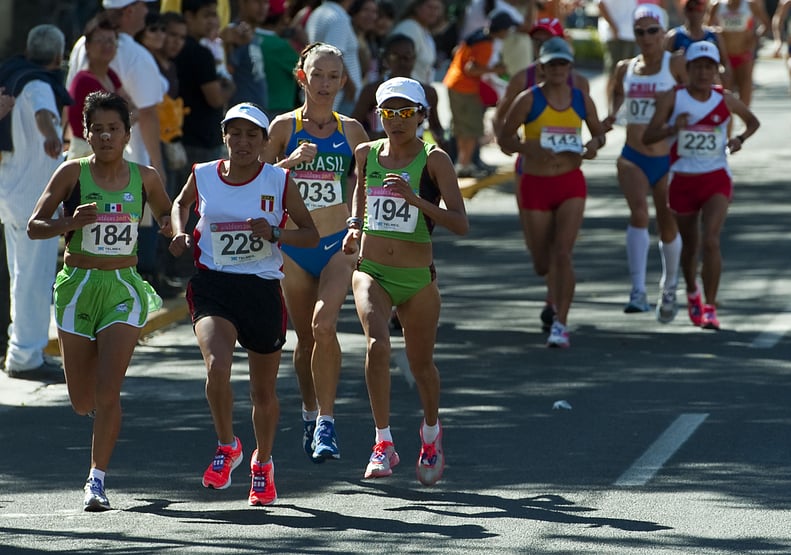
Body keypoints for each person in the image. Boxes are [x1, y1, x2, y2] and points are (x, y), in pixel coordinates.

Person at [27, 91, 172, 511]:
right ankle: (98, 415)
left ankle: (96, 480)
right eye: (98, 129)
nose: (106, 135)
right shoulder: (70, 174)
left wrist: (171, 231)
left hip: (123, 287)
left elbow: (167, 214)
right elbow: (35, 226)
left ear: (127, 133)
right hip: (77, 286)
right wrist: (70, 222)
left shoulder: (145, 177)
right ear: (86, 134)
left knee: (109, 391)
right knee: (82, 401)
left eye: (115, 128)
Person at [169, 102, 318, 506]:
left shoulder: (278, 180)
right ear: (224, 137)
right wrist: (181, 232)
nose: (243, 142)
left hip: (262, 289)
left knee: (262, 392)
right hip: (213, 284)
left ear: (266, 141)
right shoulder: (203, 175)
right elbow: (180, 204)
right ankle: (226, 445)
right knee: (217, 366)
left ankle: (263, 464)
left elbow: (310, 233)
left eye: (253, 134)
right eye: (235, 133)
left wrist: (275, 232)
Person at [342, 77, 468, 484]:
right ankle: (383, 441)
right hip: (371, 272)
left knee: (421, 364)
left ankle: (430, 433)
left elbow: (461, 223)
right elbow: (360, 193)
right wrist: (353, 226)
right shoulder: (366, 153)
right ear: (378, 116)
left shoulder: (436, 160)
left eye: (405, 112)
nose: (396, 121)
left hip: (417, 278)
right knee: (377, 345)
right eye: (388, 113)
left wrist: (416, 199)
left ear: (421, 116)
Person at [263, 43, 368, 462]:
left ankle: (327, 422)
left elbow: (365, 179)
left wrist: (357, 225)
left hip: (336, 243)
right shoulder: (283, 128)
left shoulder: (353, 131)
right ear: (301, 77)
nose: (325, 84)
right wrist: (288, 162)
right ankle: (309, 413)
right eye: (317, 75)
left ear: (343, 81)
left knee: (325, 326)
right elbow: (255, 180)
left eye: (333, 76)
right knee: (305, 337)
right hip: (295, 244)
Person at [497, 37, 605, 348]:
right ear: (542, 67)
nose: (557, 69)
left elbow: (598, 134)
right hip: (535, 185)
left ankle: (561, 322)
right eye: (551, 64)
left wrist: (593, 147)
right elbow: (505, 138)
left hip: (570, 183)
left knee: (563, 253)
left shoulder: (582, 99)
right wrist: (525, 146)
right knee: (543, 263)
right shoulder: (528, 100)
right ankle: (556, 294)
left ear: (570, 68)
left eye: (563, 64)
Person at [642, 41, 759, 329]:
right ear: (689, 69)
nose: (704, 73)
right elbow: (648, 136)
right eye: (698, 67)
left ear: (715, 70)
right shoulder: (674, 97)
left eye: (709, 67)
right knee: (689, 246)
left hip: (715, 177)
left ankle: (710, 306)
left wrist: (738, 140)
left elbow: (752, 122)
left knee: (711, 241)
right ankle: (692, 291)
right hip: (682, 180)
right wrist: (672, 128)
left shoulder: (725, 99)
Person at [602, 4, 687, 320]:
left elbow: (697, 95)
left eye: (653, 30)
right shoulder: (625, 68)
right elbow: (615, 106)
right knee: (638, 212)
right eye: (640, 32)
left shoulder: (676, 64)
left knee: (667, 221)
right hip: (632, 156)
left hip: (667, 156)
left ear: (664, 32)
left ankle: (669, 287)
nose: (647, 37)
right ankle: (637, 290)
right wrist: (603, 126)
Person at [0, 24, 72, 382]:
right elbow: (45, 115)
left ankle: (20, 349)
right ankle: (25, 356)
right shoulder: (40, 84)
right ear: (59, 56)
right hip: (34, 200)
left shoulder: (12, 74)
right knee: (33, 279)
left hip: (13, 192)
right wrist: (51, 137)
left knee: (21, 276)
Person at [443, 12, 519, 178]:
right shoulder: (486, 44)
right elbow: (471, 69)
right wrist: (496, 70)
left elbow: (459, 53)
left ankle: (463, 162)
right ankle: (465, 164)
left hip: (454, 83)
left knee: (462, 128)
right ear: (501, 29)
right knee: (471, 129)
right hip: (465, 87)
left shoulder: (478, 35)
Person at [352, 33, 447, 148]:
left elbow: (436, 128)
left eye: (407, 57)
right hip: (382, 154)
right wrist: (380, 137)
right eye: (395, 57)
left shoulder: (428, 92)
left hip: (417, 157)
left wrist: (443, 147)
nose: (402, 62)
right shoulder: (372, 90)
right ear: (385, 60)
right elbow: (354, 126)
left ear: (414, 58)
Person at [67, 14, 126, 160]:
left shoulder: (111, 75)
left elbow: (129, 110)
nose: (107, 45)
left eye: (111, 41)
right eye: (100, 40)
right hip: (85, 155)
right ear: (87, 46)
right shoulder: (84, 80)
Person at [707, 0, 770, 107]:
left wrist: (754, 39)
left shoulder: (750, 5)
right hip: (725, 57)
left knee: (745, 96)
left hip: (744, 56)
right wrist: (716, 33)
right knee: (726, 96)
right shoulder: (717, 5)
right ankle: (728, 123)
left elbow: (766, 24)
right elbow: (707, 27)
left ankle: (745, 122)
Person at [305, 0, 363, 114]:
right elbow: (334, 56)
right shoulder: (338, 18)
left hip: (325, 95)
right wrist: (351, 89)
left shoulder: (318, 12)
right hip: (340, 98)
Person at [665, 0, 733, 85]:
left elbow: (725, 63)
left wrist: (724, 78)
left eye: (699, 8)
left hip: (710, 86)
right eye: (690, 9)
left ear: (705, 10)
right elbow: (664, 66)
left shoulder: (714, 35)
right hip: (685, 86)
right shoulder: (674, 36)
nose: (695, 13)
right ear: (684, 11)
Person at [391, 0, 445, 85]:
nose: (433, 12)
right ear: (417, 7)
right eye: (430, 7)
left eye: (437, 8)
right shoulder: (409, 28)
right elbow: (400, 64)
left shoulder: (423, 29)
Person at [598, 0, 638, 104]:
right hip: (615, 36)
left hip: (631, 35)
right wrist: (613, 27)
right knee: (613, 74)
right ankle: (610, 110)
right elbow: (600, 4)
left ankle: (622, 109)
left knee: (629, 74)